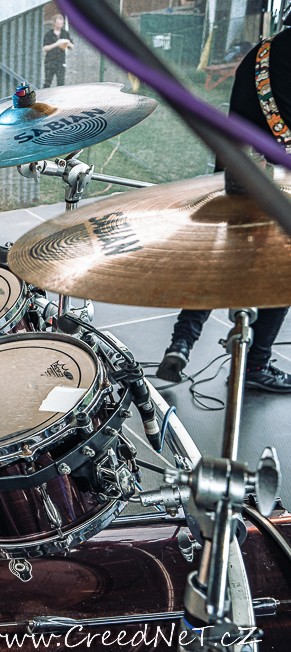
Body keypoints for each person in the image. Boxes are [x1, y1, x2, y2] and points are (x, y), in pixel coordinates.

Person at [157, 28, 291, 391]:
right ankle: (256, 364)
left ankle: (181, 343)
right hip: (279, 186)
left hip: (235, 173)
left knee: (220, 263)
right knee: (283, 271)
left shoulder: (260, 53)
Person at [42, 14, 73, 88]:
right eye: (58, 23)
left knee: (61, 82)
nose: (60, 25)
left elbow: (72, 47)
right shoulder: (49, 34)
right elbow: (44, 48)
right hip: (50, 61)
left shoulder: (65, 33)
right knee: (47, 82)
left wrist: (68, 43)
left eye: (61, 24)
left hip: (60, 61)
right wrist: (56, 44)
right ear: (54, 23)